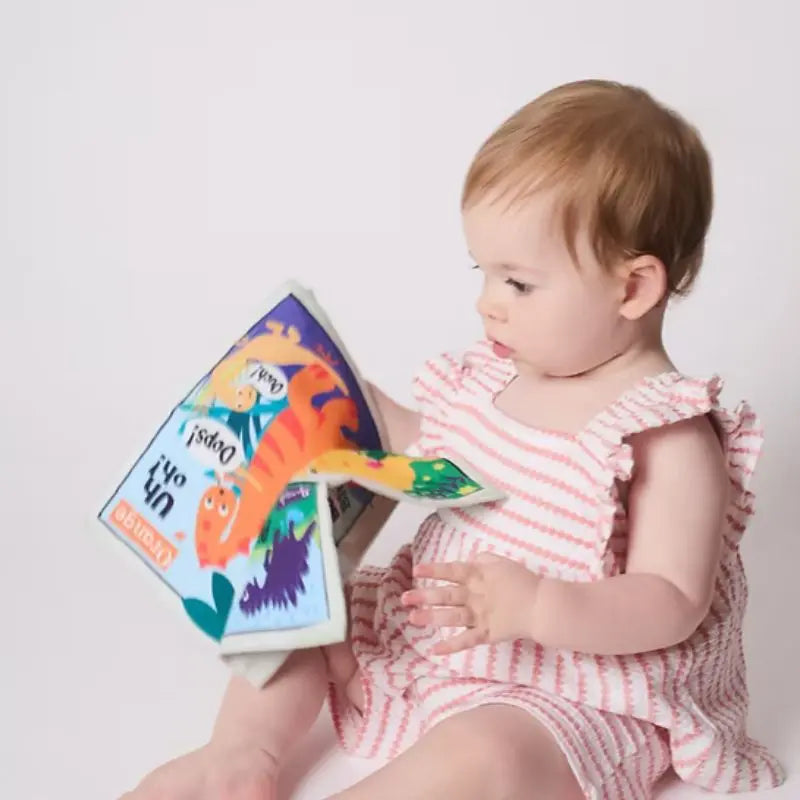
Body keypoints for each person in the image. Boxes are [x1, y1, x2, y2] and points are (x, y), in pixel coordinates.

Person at [123, 79, 784, 800]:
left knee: (488, 753)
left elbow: (672, 599)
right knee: (303, 609)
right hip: (431, 636)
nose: (486, 303)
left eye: (519, 283)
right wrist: (351, 410)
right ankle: (239, 755)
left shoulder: (663, 433)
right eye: (484, 272)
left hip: (568, 688)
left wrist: (538, 607)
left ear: (632, 289)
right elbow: (436, 457)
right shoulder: (498, 376)